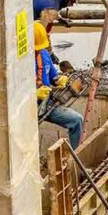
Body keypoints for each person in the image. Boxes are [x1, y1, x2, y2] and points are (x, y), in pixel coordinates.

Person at [34, 11, 83, 149]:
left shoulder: (44, 54)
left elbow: (53, 77)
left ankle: (76, 156)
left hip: (46, 104)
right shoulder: (20, 64)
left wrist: (60, 79)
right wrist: (34, 94)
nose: (37, 51)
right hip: (29, 109)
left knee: (76, 120)